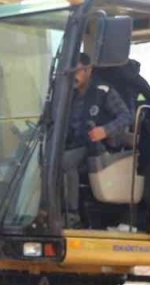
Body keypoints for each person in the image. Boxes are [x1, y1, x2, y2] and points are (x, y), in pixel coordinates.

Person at [62, 52, 134, 220]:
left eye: (78, 71)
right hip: (72, 141)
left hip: (93, 145)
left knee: (65, 162)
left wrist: (105, 130)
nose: (75, 76)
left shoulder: (103, 91)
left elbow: (126, 116)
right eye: (72, 71)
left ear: (89, 70)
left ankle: (71, 215)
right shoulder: (68, 94)